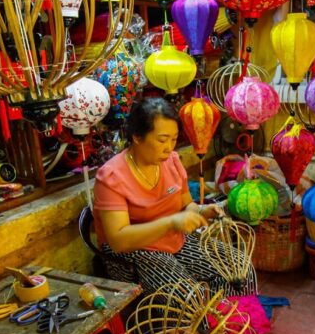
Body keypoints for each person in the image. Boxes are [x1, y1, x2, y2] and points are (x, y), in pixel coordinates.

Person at [93, 97, 256, 296]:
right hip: (135, 250)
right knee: (187, 296)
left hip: (173, 239)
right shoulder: (111, 176)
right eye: (162, 140)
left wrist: (202, 211)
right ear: (137, 137)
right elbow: (118, 240)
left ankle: (229, 315)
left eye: (174, 139)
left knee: (240, 268)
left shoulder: (171, 161)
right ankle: (198, 315)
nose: (169, 147)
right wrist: (171, 223)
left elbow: (187, 204)